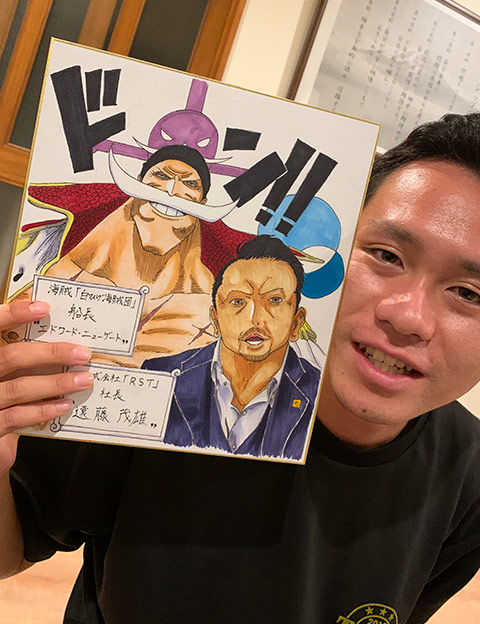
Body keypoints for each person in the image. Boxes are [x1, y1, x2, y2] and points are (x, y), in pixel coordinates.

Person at [1, 113, 480, 624]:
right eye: (386, 255)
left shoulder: (468, 479)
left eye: (469, 293)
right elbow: (14, 545)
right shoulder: (152, 382)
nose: (408, 317)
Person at [5, 144, 252, 367]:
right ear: (139, 183)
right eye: (162, 176)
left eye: (190, 184)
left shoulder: (209, 304)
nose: (172, 191)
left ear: (203, 202)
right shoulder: (49, 255)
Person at [146, 235, 320, 459]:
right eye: (238, 301)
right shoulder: (160, 375)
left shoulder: (317, 393)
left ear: (296, 321)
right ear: (215, 318)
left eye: (274, 300)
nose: (255, 319)